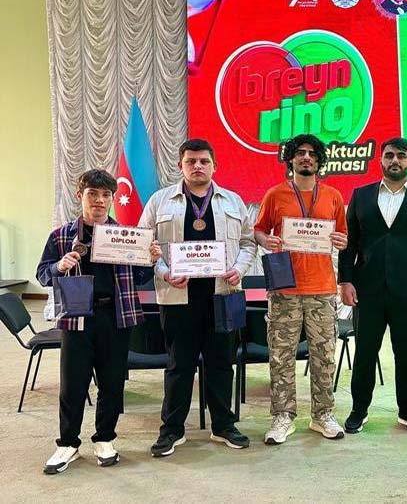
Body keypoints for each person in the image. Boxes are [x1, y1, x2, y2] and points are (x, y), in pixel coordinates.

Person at [37, 169, 161, 474]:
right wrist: (58, 266)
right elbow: (42, 275)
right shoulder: (61, 236)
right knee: (73, 384)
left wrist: (150, 260)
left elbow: (140, 278)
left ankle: (105, 438)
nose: (100, 200)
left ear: (113, 199)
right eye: (93, 194)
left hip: (115, 315)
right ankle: (68, 443)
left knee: (112, 382)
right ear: (80, 196)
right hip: (77, 316)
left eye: (106, 195)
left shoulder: (126, 236)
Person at [139, 138, 257, 457]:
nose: (198, 166)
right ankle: (172, 430)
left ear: (214, 165)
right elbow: (145, 245)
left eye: (204, 161)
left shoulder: (233, 201)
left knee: (222, 363)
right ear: (181, 165)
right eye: (191, 161)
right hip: (178, 296)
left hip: (224, 295)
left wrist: (239, 269)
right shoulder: (160, 201)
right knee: (179, 365)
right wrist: (164, 272)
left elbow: (248, 243)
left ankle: (223, 426)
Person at [339, 137, 407, 435]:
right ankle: (359, 410)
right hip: (367, 291)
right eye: (389, 155)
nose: (395, 160)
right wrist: (345, 280)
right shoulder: (361, 195)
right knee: (364, 353)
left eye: (401, 155)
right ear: (380, 160)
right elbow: (349, 244)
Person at [254, 134, 348, 444]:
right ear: (290, 159)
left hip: (322, 288)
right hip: (285, 288)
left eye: (312, 153)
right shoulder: (275, 194)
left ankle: (323, 415)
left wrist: (341, 241)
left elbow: (343, 236)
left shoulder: (333, 196)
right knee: (281, 355)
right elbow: (259, 230)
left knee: (324, 355)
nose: (306, 157)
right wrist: (266, 240)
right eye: (300, 153)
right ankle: (283, 416)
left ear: (319, 160)